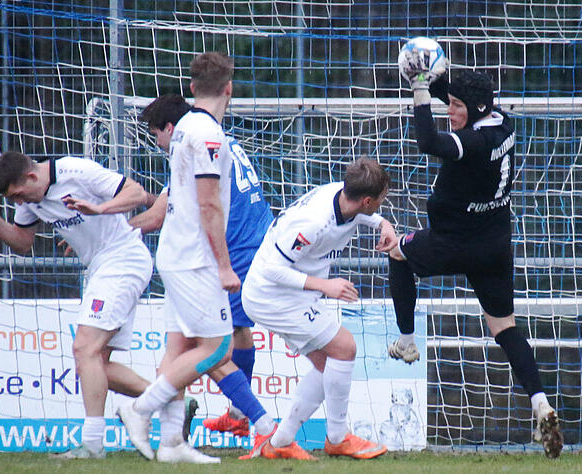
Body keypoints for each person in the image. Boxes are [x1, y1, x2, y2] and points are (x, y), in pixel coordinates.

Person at [115, 53, 300, 464]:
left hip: (204, 252)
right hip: (204, 258)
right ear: (229, 89)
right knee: (216, 350)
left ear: (193, 89)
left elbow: (186, 203)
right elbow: (205, 205)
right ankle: (142, 408)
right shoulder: (209, 136)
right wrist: (222, 265)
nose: (156, 138)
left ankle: (173, 443)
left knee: (187, 348)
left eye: (154, 133)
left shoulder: (191, 132)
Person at [389, 53, 564, 458]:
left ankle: (407, 340)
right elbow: (464, 96)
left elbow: (427, 141)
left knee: (398, 254)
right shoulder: (503, 122)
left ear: (474, 111)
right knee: (504, 328)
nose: (450, 112)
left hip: (453, 241)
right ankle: (541, 403)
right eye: (448, 104)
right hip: (494, 243)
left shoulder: (472, 143)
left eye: (456, 107)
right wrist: (435, 75)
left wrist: (418, 89)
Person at [0, 151, 154, 459]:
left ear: (31, 177)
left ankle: (93, 445)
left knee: (84, 349)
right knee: (93, 365)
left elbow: (133, 191)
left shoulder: (76, 171)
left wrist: (100, 209)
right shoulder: (31, 200)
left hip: (123, 258)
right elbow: (22, 243)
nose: (18, 203)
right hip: (101, 267)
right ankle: (169, 397)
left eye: (18, 195)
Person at [240, 157, 396, 460]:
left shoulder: (344, 195)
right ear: (367, 200)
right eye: (381, 200)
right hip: (270, 295)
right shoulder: (313, 222)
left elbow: (359, 215)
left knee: (329, 365)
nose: (381, 202)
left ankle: (280, 442)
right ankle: (337, 438)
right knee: (345, 347)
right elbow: (273, 270)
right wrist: (325, 285)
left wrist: (382, 222)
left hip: (288, 292)